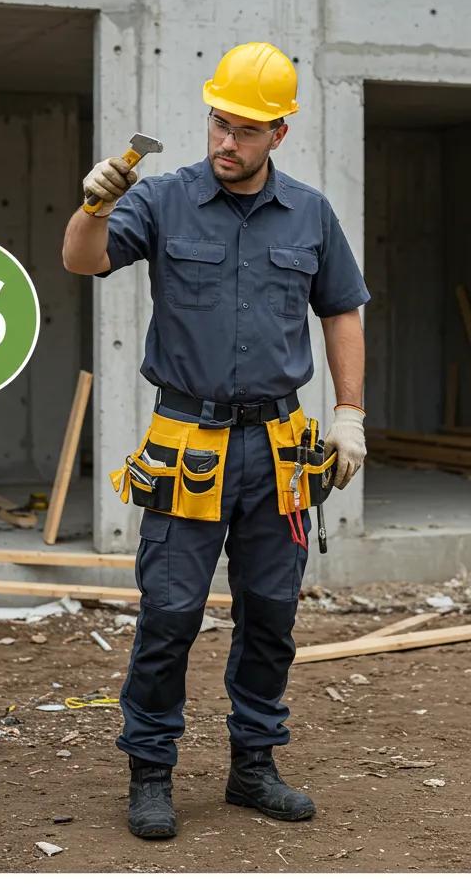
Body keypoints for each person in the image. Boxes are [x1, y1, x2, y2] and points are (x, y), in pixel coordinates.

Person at [62, 41, 369, 839]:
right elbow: (80, 260)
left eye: (244, 130)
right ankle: (151, 772)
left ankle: (253, 767)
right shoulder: (160, 199)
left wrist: (350, 413)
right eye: (217, 123)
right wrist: (93, 205)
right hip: (186, 441)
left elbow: (341, 309)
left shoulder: (310, 213)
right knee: (170, 613)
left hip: (279, 445)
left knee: (271, 613)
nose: (225, 142)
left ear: (279, 135)